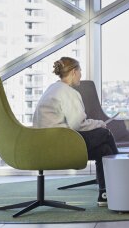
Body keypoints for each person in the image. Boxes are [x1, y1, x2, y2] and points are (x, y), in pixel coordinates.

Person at [33, 56, 119, 207]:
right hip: (63, 143)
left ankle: (104, 194)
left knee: (104, 150)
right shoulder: (68, 93)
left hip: (45, 144)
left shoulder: (52, 89)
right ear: (73, 72)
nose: (81, 75)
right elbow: (77, 125)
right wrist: (100, 123)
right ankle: (121, 181)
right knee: (104, 133)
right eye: (80, 71)